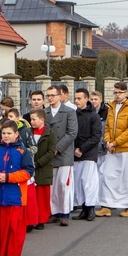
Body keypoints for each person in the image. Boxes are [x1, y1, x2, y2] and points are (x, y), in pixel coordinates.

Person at [0, 120, 35, 256]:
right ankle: (1, 250)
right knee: (0, 224)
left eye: (9, 133)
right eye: (4, 133)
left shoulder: (23, 152)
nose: (6, 136)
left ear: (16, 134)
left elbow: (28, 171)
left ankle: (13, 253)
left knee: (14, 226)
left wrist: (8, 177)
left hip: (16, 195)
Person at [96, 82, 128, 217]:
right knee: (106, 175)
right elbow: (108, 127)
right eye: (115, 92)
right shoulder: (112, 107)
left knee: (127, 179)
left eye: (120, 92)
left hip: (125, 149)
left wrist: (115, 142)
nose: (117, 95)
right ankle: (106, 205)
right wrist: (108, 141)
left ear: (126, 93)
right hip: (112, 149)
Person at [45, 85, 78, 226]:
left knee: (64, 184)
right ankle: (54, 212)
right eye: (48, 95)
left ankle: (65, 213)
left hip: (63, 153)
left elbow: (72, 133)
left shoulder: (69, 112)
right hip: (49, 153)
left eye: (52, 95)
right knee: (52, 185)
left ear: (60, 96)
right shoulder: (44, 112)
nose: (50, 98)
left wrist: (57, 148)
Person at [6, 108, 39, 231]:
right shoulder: (4, 134)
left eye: (11, 116)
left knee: (27, 197)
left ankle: (29, 222)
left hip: (24, 169)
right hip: (11, 171)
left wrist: (23, 153)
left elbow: (34, 148)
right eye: (7, 117)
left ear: (17, 118)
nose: (9, 119)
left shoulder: (25, 131)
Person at [71, 88, 102, 221]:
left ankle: (90, 208)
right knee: (78, 183)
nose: (77, 101)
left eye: (79, 98)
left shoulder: (93, 116)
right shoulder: (73, 115)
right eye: (75, 98)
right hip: (75, 154)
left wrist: (82, 149)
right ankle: (83, 208)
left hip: (88, 154)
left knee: (88, 182)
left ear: (86, 99)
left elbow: (96, 137)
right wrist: (73, 149)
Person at [30, 108, 56, 230]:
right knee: (32, 196)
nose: (32, 122)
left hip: (43, 168)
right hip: (31, 167)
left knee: (42, 196)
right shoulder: (29, 132)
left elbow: (51, 152)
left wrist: (38, 163)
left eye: (34, 119)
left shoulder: (49, 133)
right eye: (31, 119)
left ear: (42, 120)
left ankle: (41, 219)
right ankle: (31, 219)